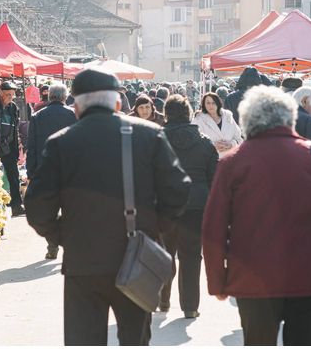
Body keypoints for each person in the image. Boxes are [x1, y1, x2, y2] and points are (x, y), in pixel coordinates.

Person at [25, 68, 191, 346]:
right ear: (117, 103)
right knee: (134, 341)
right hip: (136, 255)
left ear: (76, 107)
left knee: (84, 341)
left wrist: (61, 236)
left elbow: (37, 205)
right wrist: (153, 228)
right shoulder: (148, 135)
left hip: (82, 263)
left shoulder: (62, 142)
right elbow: (178, 189)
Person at [202, 86, 311, 346]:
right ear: (290, 118)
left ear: (246, 121)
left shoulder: (233, 163)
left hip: (252, 279)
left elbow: (213, 226)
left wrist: (217, 281)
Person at [159, 95, 218, 319]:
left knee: (164, 253)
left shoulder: (157, 139)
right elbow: (214, 180)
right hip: (196, 204)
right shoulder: (204, 142)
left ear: (166, 114)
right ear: (189, 112)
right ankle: (190, 306)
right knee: (191, 256)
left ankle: (163, 300)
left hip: (165, 205)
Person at [26, 82, 77, 260]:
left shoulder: (38, 116)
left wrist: (30, 170)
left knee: (51, 209)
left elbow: (30, 146)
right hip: (70, 169)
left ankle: (52, 245)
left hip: (45, 168)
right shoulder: (73, 115)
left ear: (49, 96)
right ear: (64, 97)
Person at [0, 80, 23, 216]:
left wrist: (18, 144)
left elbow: (16, 127)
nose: (10, 97)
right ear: (0, 92)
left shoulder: (13, 107)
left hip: (9, 146)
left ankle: (17, 205)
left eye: (12, 94)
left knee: (14, 175)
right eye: (7, 94)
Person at [192, 92, 243, 156]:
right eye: (208, 103)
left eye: (213, 103)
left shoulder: (228, 116)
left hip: (230, 159)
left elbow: (238, 138)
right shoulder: (198, 119)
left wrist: (231, 144)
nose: (211, 106)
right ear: (204, 104)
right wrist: (212, 146)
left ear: (218, 103)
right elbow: (194, 142)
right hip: (209, 160)